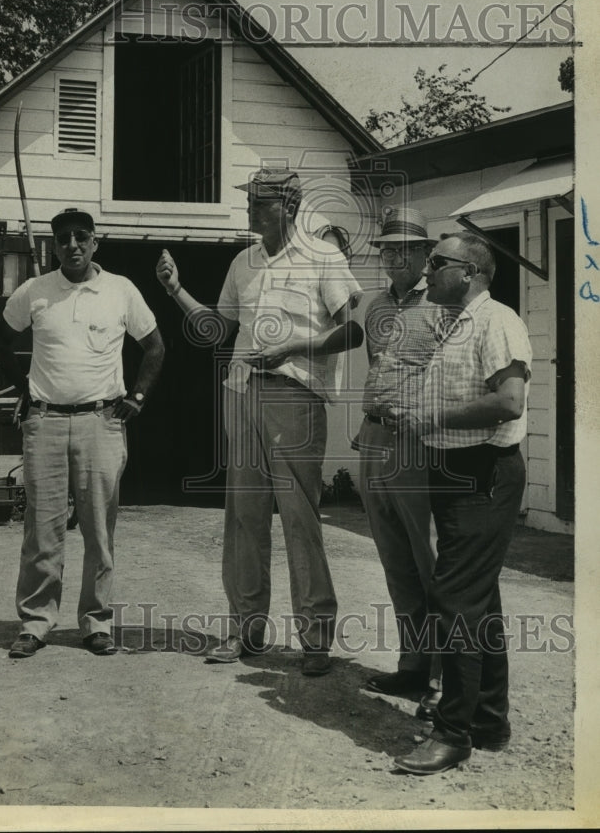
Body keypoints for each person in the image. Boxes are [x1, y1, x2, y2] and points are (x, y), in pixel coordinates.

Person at [155, 168, 363, 676]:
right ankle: (246, 628)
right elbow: (217, 328)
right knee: (244, 516)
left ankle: (315, 638)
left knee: (299, 517)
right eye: (249, 200)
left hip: (296, 396)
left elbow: (354, 330)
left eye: (258, 202)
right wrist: (176, 290)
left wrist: (295, 347)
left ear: (288, 205)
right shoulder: (242, 261)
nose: (249, 210)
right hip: (240, 391)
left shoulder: (324, 256)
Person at [390, 231, 532, 775]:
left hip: (485, 476)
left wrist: (431, 418)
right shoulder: (453, 324)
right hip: (453, 472)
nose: (427, 271)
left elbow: (509, 401)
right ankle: (489, 721)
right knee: (478, 599)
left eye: (437, 262)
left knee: (453, 599)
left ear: (470, 272)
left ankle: (453, 734)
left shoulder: (497, 320)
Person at [0, 208, 165, 658]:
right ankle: (35, 621)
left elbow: (154, 347)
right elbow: (1, 341)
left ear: (94, 243)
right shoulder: (35, 291)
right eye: (64, 238)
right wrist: (24, 393)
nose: (72, 245)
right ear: (55, 244)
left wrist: (138, 398)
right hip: (45, 422)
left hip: (101, 422)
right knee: (42, 529)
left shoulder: (120, 290)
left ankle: (96, 622)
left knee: (98, 529)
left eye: (81, 237)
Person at [356, 207, 443, 708]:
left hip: (416, 443)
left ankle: (444, 680)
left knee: (429, 558)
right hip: (374, 438)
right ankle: (413, 665)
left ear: (422, 254)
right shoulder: (375, 306)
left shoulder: (443, 307)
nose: (389, 256)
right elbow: (375, 366)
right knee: (394, 560)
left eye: (398, 248)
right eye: (385, 248)